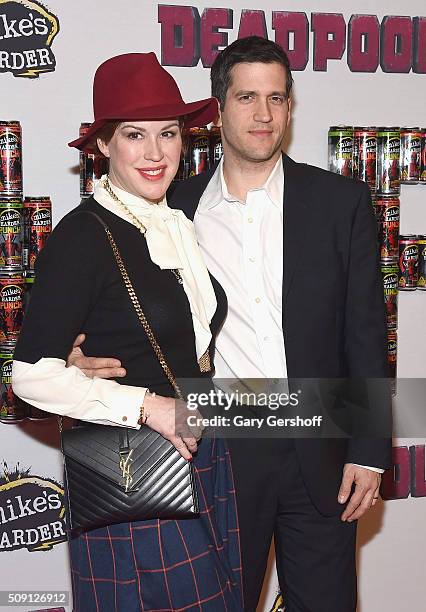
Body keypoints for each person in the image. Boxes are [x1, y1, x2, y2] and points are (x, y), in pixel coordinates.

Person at [70, 38, 392, 611]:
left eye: (276, 98)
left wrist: (368, 451)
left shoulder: (340, 203)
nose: (263, 114)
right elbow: (120, 313)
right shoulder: (169, 212)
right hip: (216, 453)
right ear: (217, 112)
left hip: (321, 447)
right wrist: (76, 359)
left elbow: (365, 335)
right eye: (246, 97)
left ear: (291, 108)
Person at [12, 52, 243, 612]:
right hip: (135, 459)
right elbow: (30, 376)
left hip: (204, 449)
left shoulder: (175, 223)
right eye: (134, 135)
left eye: (168, 134)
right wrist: (149, 407)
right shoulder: (83, 236)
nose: (156, 152)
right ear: (102, 146)